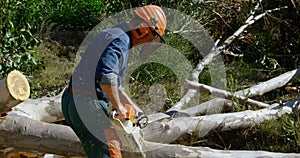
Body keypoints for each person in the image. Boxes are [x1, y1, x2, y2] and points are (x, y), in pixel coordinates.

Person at [61, 5, 167, 158]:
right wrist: (119, 107)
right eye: (152, 37)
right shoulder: (120, 40)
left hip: (72, 100)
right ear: (143, 29)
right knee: (111, 153)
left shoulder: (116, 34)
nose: (149, 42)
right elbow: (107, 77)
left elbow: (116, 84)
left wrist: (134, 108)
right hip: (87, 105)